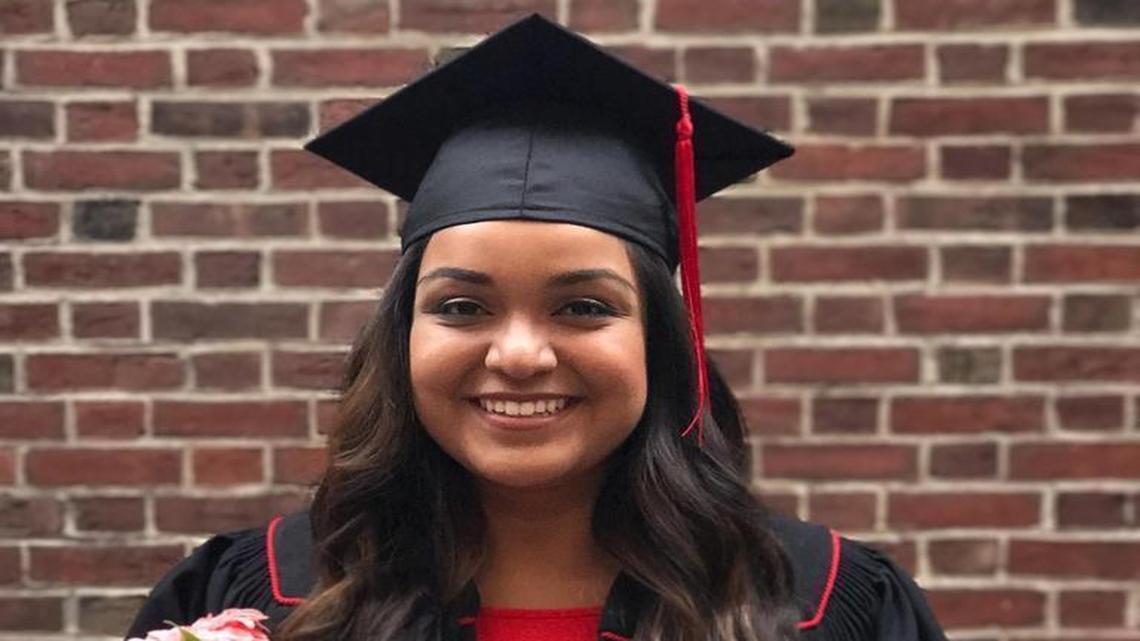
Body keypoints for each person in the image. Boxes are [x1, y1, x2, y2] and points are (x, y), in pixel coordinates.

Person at [126, 13, 948, 641]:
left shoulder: (821, 603)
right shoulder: (259, 594)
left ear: (660, 340)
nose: (519, 354)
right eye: (461, 307)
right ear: (402, 336)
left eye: (583, 306)